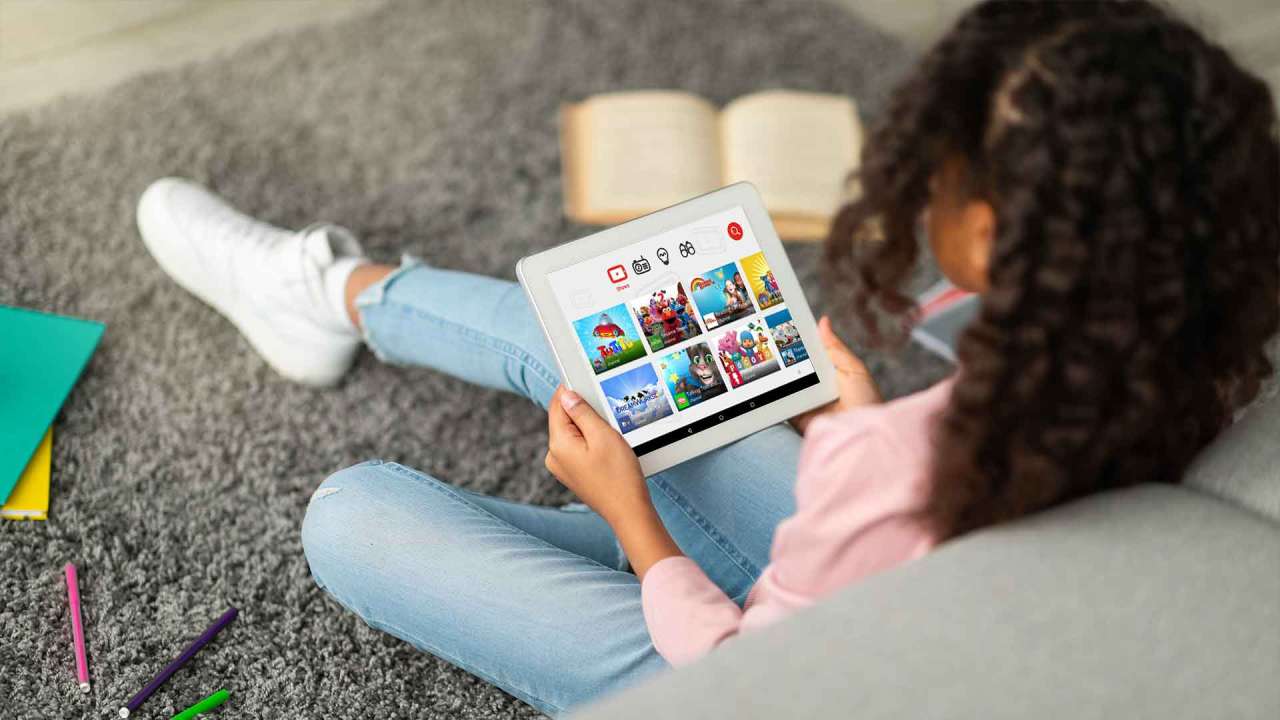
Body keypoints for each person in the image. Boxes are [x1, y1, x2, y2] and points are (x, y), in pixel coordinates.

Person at [134, 1, 1279, 716]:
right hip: (865, 574)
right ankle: (335, 295)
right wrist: (849, 431)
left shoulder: (894, 464)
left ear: (982, 232)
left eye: (940, 164)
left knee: (352, 512)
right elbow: (904, 532)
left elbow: (752, 668)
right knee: (590, 340)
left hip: (747, 658)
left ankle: (343, 303)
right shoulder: (1199, 370)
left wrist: (635, 526)